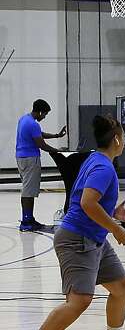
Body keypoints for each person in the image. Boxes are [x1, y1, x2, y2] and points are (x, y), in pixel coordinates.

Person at [16, 115, 125, 330]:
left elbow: (91, 200)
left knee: (120, 285)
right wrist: (115, 227)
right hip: (77, 239)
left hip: (93, 237)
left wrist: (112, 212)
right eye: (124, 136)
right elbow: (86, 202)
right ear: (117, 139)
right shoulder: (103, 167)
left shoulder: (96, 159)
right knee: (80, 300)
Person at [16, 99, 67, 231]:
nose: (44, 117)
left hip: (21, 158)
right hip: (30, 159)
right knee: (28, 191)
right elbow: (41, 144)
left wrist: (56, 136)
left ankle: (29, 218)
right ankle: (26, 223)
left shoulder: (24, 119)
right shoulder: (33, 124)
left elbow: (39, 135)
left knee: (29, 190)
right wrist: (59, 152)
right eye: (44, 114)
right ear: (39, 111)